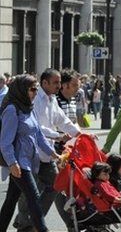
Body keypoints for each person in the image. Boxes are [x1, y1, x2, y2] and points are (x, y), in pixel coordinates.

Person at [14, 69, 83, 232]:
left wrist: (79, 134)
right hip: (32, 154)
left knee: (56, 185)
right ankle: (26, 223)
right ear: (44, 83)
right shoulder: (36, 99)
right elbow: (36, 127)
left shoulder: (52, 100)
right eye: (56, 82)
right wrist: (57, 135)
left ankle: (35, 220)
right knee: (29, 192)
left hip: (47, 153)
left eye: (59, 82)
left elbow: (62, 120)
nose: (59, 86)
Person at [0, 75, 60, 232]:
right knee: (33, 198)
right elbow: (5, 142)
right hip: (19, 164)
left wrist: (53, 153)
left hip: (29, 161)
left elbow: (39, 135)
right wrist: (12, 163)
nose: (35, 92)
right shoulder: (12, 110)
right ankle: (42, 229)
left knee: (11, 200)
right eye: (32, 89)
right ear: (21, 90)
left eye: (36, 89)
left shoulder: (28, 108)